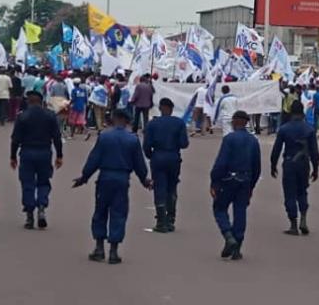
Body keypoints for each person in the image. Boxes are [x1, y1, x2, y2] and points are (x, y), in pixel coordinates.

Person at [72, 109, 152, 265]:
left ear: (115, 118)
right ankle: (114, 251)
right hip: (122, 180)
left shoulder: (105, 136)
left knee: (100, 211)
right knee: (119, 213)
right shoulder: (132, 139)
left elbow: (94, 159)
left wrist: (84, 177)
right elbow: (139, 164)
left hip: (105, 178)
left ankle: (99, 248)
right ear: (127, 121)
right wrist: (145, 180)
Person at [211, 111, 261, 261]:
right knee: (240, 211)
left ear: (234, 121)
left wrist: (214, 181)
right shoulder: (253, 141)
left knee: (219, 208)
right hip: (245, 179)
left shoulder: (229, 139)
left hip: (228, 179)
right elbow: (257, 167)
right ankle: (237, 246)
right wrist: (251, 185)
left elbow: (221, 162)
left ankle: (228, 235)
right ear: (246, 122)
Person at [10, 90, 63, 230]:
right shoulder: (50, 115)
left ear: (29, 101)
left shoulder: (22, 117)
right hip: (44, 152)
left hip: (27, 152)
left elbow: (15, 139)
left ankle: (29, 215)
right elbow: (57, 137)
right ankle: (41, 206)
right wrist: (59, 156)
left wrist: (12, 156)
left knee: (27, 183)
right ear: (41, 102)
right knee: (43, 182)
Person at [270, 102, 319, 236]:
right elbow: (314, 152)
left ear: (291, 113)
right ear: (303, 112)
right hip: (304, 163)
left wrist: (273, 164)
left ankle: (293, 224)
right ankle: (303, 218)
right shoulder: (309, 129)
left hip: (289, 163)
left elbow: (277, 149)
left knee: (290, 192)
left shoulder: (284, 129)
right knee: (302, 191)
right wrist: (315, 169)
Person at [143, 98, 189, 233]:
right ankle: (170, 219)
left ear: (161, 108)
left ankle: (161, 221)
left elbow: (146, 145)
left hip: (158, 156)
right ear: (172, 109)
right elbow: (184, 144)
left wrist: (151, 155)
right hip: (174, 157)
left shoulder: (152, 124)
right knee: (172, 187)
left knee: (159, 187)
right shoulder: (179, 123)